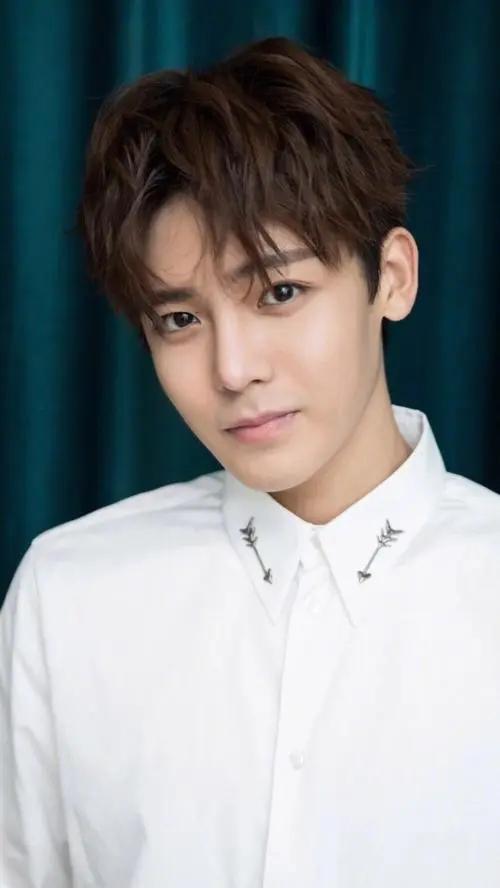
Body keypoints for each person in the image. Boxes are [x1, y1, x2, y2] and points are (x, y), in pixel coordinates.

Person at [1, 34, 499, 888]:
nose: (233, 370)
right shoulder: (69, 594)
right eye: (180, 320)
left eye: (279, 292)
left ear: (392, 277)